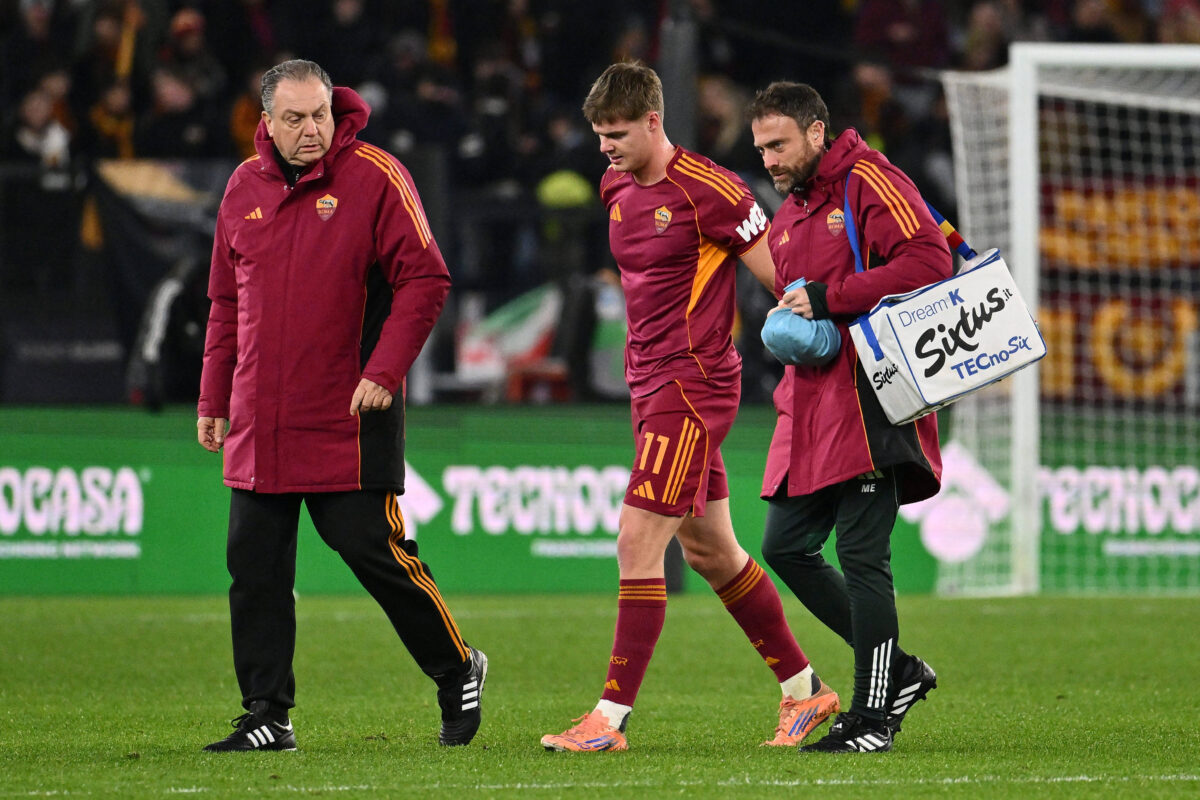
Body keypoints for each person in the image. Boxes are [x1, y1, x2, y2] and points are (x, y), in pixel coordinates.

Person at [540, 61, 840, 753]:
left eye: (617, 133)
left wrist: (828, 333)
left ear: (653, 121)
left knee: (635, 541)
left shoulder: (713, 191)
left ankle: (608, 721)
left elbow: (785, 280)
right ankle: (805, 692)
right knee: (712, 551)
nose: (605, 147)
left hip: (693, 390)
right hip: (649, 388)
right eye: (598, 135)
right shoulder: (616, 183)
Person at [196, 59, 485, 752]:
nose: (310, 129)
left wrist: (385, 370)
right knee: (253, 566)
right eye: (293, 118)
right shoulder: (243, 187)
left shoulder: (376, 176)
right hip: (260, 420)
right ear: (266, 123)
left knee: (375, 553)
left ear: (335, 110)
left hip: (351, 417)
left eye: (319, 114)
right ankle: (268, 713)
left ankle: (457, 666)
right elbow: (225, 304)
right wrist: (214, 394)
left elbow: (427, 279)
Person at [747, 81, 949, 753]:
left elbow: (929, 261)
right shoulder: (786, 219)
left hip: (874, 398)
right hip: (810, 406)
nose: (770, 160)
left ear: (815, 132)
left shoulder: (869, 178)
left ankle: (872, 718)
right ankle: (904, 672)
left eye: (779, 145)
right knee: (784, 547)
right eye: (761, 148)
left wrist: (831, 298)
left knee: (863, 555)